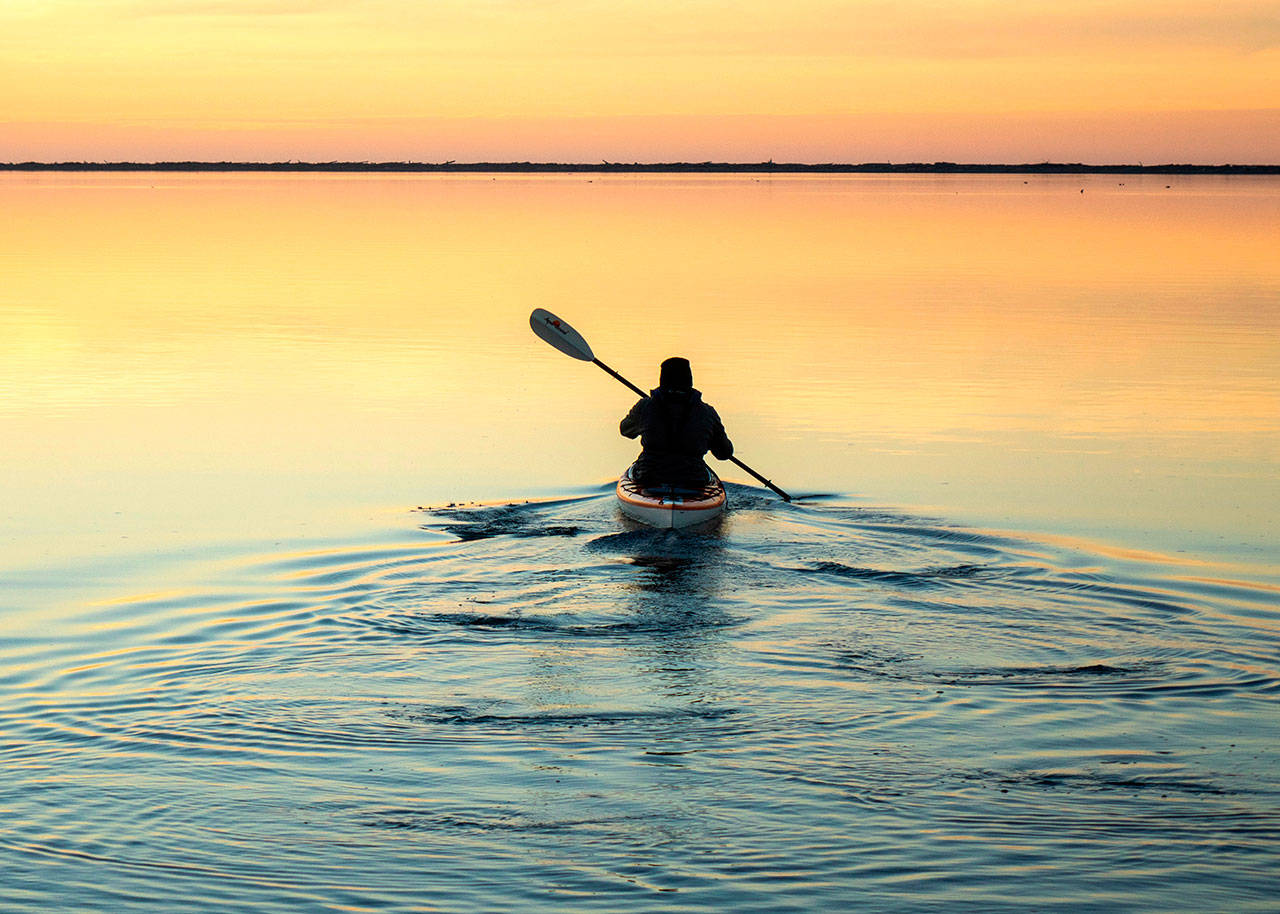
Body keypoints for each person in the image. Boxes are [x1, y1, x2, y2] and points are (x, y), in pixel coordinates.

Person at [620, 357, 733, 488]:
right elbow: (724, 453)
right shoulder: (707, 412)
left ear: (662, 380)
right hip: (693, 480)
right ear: (689, 380)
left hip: (649, 477)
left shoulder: (645, 406)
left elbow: (625, 430)